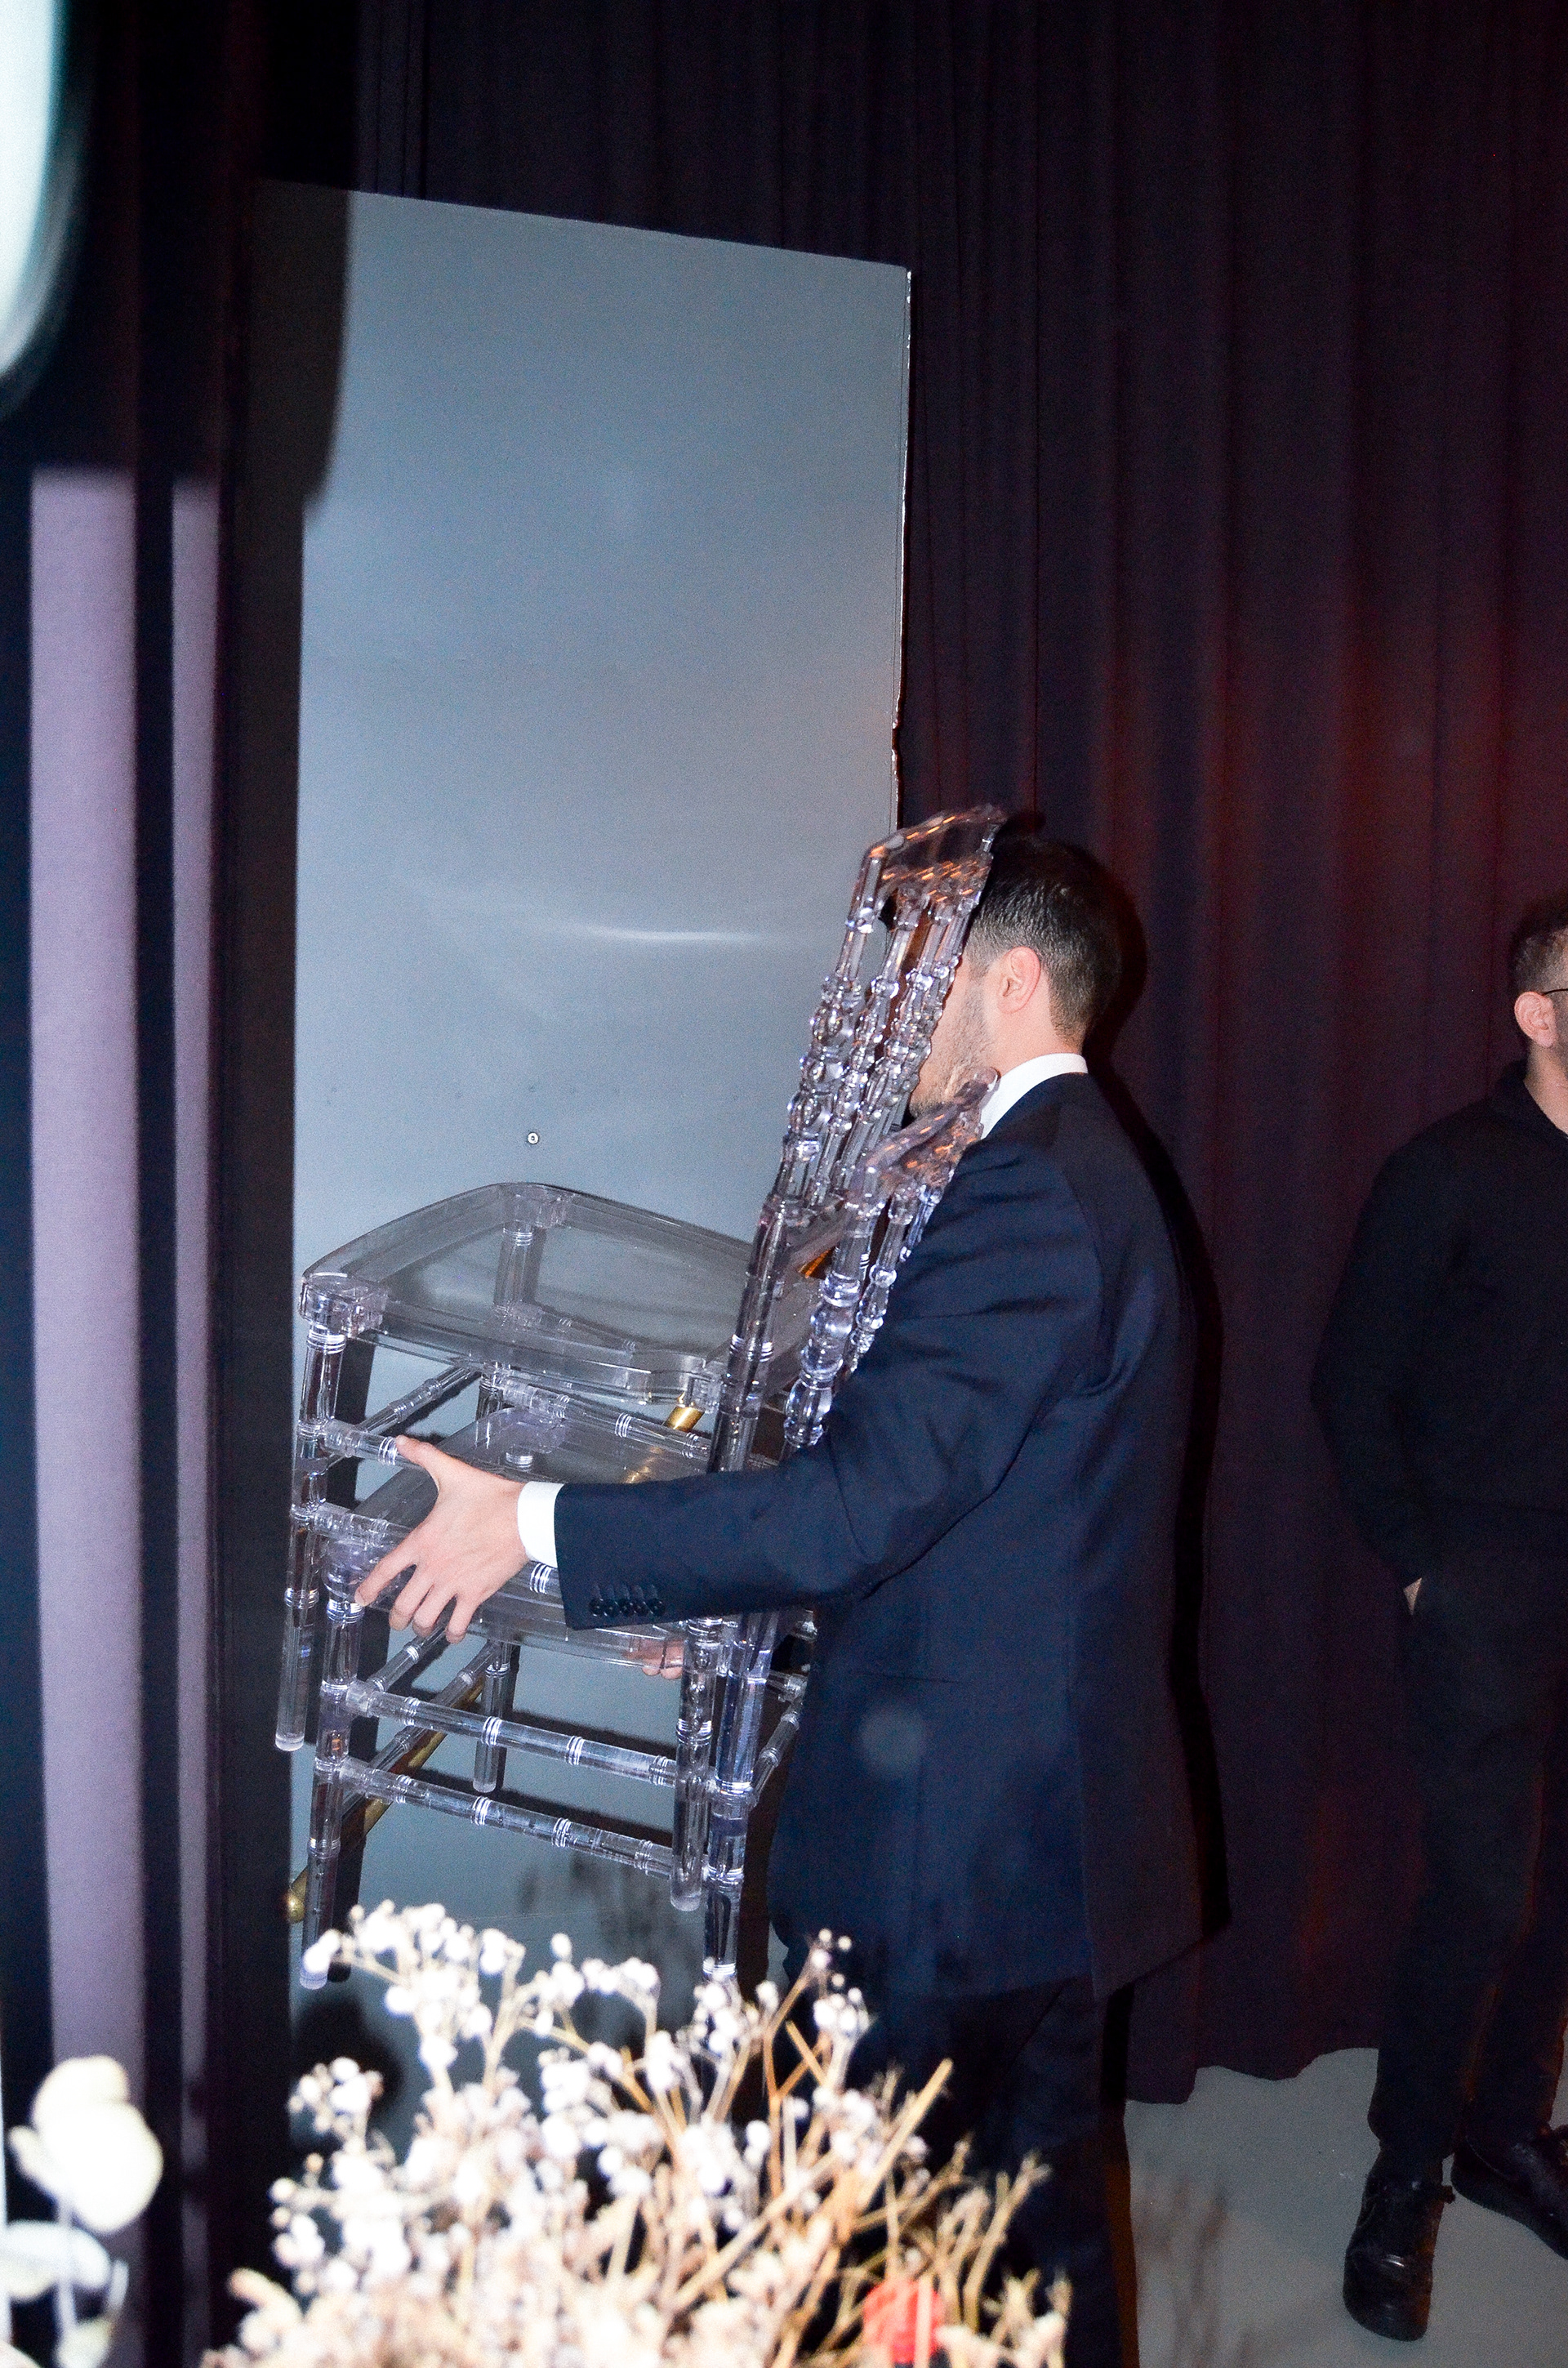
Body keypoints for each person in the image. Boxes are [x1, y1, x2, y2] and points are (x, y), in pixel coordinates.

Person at [358, 827, 1200, 2367]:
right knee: (1030, 2246)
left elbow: (860, 1503)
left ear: (1011, 980)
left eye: (925, 975)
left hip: (951, 1860)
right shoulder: (1080, 1173)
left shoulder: (1028, 1191)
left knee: (860, 2252)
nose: (894, 1012)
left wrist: (533, 1524)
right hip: (1035, 1841)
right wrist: (746, 1607)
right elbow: (995, 1531)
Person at [1313, 889, 1568, 2343]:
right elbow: (1351, 1385)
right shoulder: (1449, 1172)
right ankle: (1404, 2176)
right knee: (1479, 1893)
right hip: (1485, 1586)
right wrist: (1423, 1568)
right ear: (1538, 1014)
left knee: (1563, 1886)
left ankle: (1508, 2136)